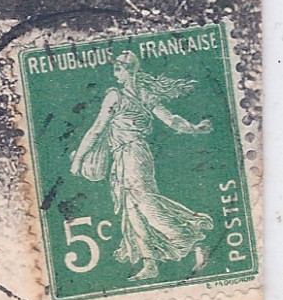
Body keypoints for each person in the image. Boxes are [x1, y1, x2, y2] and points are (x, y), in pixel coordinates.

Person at [69, 50, 214, 281]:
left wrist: (78, 160)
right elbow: (171, 119)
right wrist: (193, 128)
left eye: (118, 68)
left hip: (133, 155)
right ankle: (150, 263)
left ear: (126, 71)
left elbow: (97, 129)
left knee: (145, 202)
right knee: (132, 209)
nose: (115, 74)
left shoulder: (115, 96)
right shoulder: (145, 94)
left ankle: (187, 234)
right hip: (125, 156)